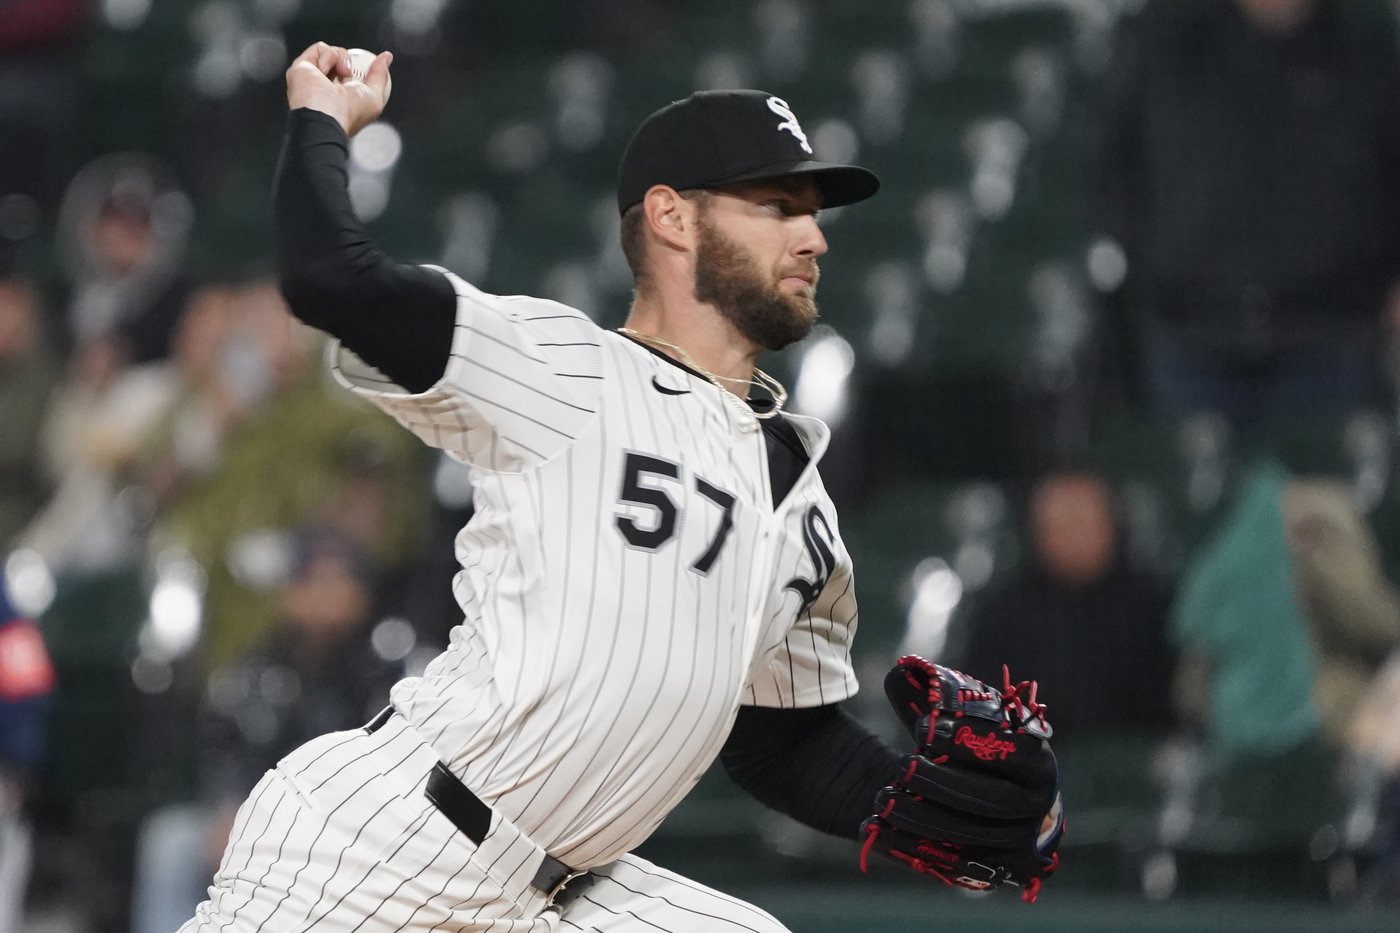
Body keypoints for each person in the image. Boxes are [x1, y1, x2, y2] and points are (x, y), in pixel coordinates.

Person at [181, 43, 1062, 932]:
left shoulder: (800, 500)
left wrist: (914, 804)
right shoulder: (565, 366)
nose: (814, 235)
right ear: (673, 217)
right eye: (776, 206)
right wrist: (322, 122)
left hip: (562, 891)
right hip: (385, 846)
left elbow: (782, 741)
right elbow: (330, 276)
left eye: (813, 213)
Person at [1094, 0, 1400, 424]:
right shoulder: (1168, 37)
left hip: (1333, 338)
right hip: (1191, 337)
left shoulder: (1370, 42)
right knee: (1185, 483)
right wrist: (1148, 272)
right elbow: (1117, 172)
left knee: (1323, 486)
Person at [132, 529, 404, 933]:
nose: (324, 595)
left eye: (338, 581)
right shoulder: (259, 666)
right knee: (171, 841)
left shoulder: (387, 669)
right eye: (312, 580)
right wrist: (227, 807)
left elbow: (389, 770)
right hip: (261, 821)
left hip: (348, 832)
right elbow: (225, 748)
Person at [955, 471, 1176, 739]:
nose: (1072, 537)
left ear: (1112, 527)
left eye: (1083, 524)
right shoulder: (1003, 612)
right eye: (1059, 526)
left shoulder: (1156, 606)